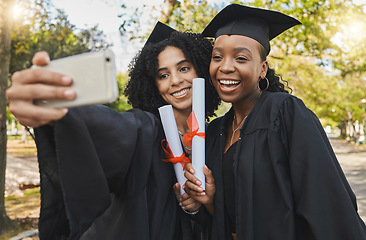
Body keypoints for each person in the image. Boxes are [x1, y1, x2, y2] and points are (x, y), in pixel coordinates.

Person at [6, 21, 220, 239]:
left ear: (201, 70)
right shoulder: (146, 129)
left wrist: (199, 205)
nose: (175, 81)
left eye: (184, 68)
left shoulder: (216, 135)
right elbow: (112, 127)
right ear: (153, 84)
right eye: (163, 75)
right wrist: (58, 113)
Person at [183, 4, 366, 240]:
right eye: (217, 57)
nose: (225, 67)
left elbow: (326, 203)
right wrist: (209, 201)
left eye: (240, 58)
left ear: (262, 69)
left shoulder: (285, 112)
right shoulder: (217, 130)